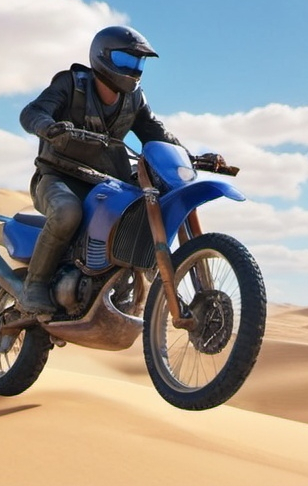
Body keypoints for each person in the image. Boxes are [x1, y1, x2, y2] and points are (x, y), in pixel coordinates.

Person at [17, 25, 184, 314]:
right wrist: (48, 127)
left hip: (107, 184)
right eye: (126, 61)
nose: (133, 70)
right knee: (68, 212)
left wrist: (187, 154)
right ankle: (35, 285)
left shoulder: (135, 99)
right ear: (102, 57)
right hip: (58, 176)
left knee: (148, 210)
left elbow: (156, 133)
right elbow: (32, 112)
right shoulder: (71, 84)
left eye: (138, 63)